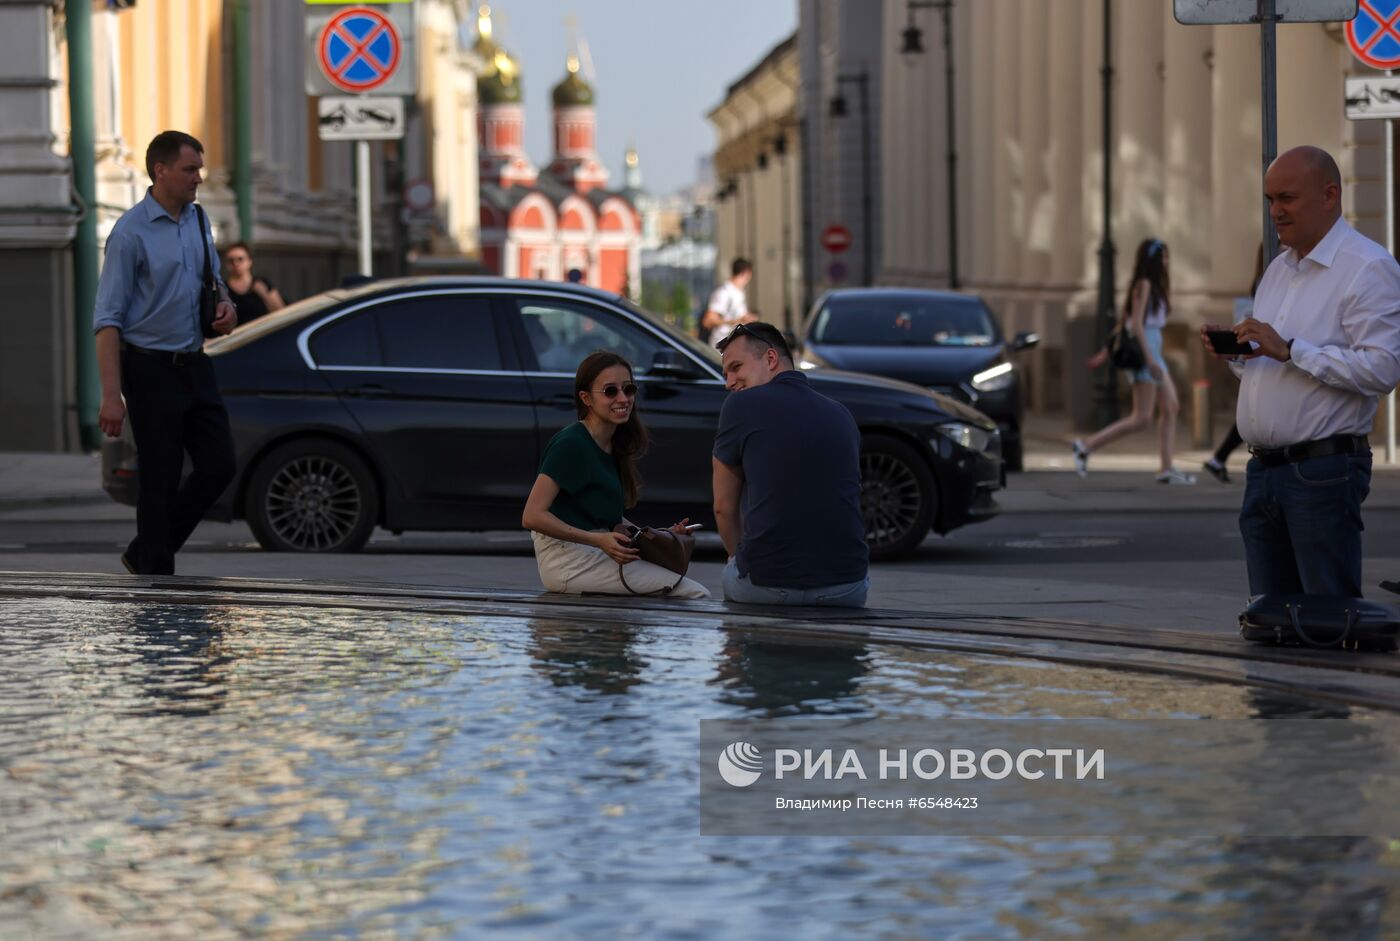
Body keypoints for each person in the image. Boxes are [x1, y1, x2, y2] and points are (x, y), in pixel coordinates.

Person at [1200, 145, 1400, 598]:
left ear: (1329, 195)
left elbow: (1384, 369)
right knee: (1272, 626)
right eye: (1270, 200)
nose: (1276, 211)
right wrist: (1239, 355)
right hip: (1263, 472)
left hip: (1322, 470)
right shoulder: (1277, 270)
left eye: (1286, 198)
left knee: (1326, 624)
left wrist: (1291, 350)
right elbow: (1274, 364)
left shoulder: (1368, 268)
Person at [94, 130, 238, 576]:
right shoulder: (130, 233)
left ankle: (145, 551)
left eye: (199, 169)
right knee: (159, 476)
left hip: (194, 363)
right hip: (149, 368)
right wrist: (111, 395)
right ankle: (157, 583)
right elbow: (107, 319)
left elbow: (216, 282)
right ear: (161, 170)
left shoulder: (199, 221)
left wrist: (227, 308)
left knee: (219, 465)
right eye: (190, 169)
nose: (199, 177)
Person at [522, 351, 710, 598]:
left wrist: (662, 535)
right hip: (568, 562)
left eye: (628, 389)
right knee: (695, 594)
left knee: (674, 593)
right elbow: (532, 516)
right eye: (610, 391)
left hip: (595, 553)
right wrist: (598, 540)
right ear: (586, 398)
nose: (623, 398)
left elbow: (610, 522)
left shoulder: (613, 443)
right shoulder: (572, 444)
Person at [712, 322, 870, 606]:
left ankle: (738, 651)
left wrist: (739, 559)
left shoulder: (739, 406)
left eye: (736, 367)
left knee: (731, 574)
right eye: (725, 374)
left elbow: (723, 508)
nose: (729, 383)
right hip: (848, 587)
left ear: (771, 359)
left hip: (766, 587)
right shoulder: (842, 414)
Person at [1073, 238, 1197, 484]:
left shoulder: (1152, 286)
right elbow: (1135, 325)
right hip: (1146, 353)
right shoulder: (1144, 284)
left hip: (1153, 351)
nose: (1166, 261)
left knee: (1171, 406)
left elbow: (1125, 322)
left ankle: (1166, 467)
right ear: (1152, 260)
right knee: (1141, 418)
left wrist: (1105, 352)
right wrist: (1149, 359)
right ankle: (1086, 445)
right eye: (1162, 257)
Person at [1203, 245, 1267, 484]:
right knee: (1250, 416)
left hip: (1258, 361)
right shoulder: (1267, 281)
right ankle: (1218, 458)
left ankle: (1218, 458)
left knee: (1250, 416)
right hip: (1258, 361)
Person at [221, 242, 285, 325]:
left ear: (249, 261)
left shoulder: (262, 283)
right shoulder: (222, 289)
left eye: (240, 259)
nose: (235, 263)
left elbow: (282, 312)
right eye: (231, 260)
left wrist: (264, 295)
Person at [703, 257, 756, 347]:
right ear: (745, 273)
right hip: (721, 346)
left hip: (734, 344)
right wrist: (736, 321)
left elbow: (738, 315)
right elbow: (708, 321)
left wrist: (746, 318)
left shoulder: (739, 292)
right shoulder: (724, 293)